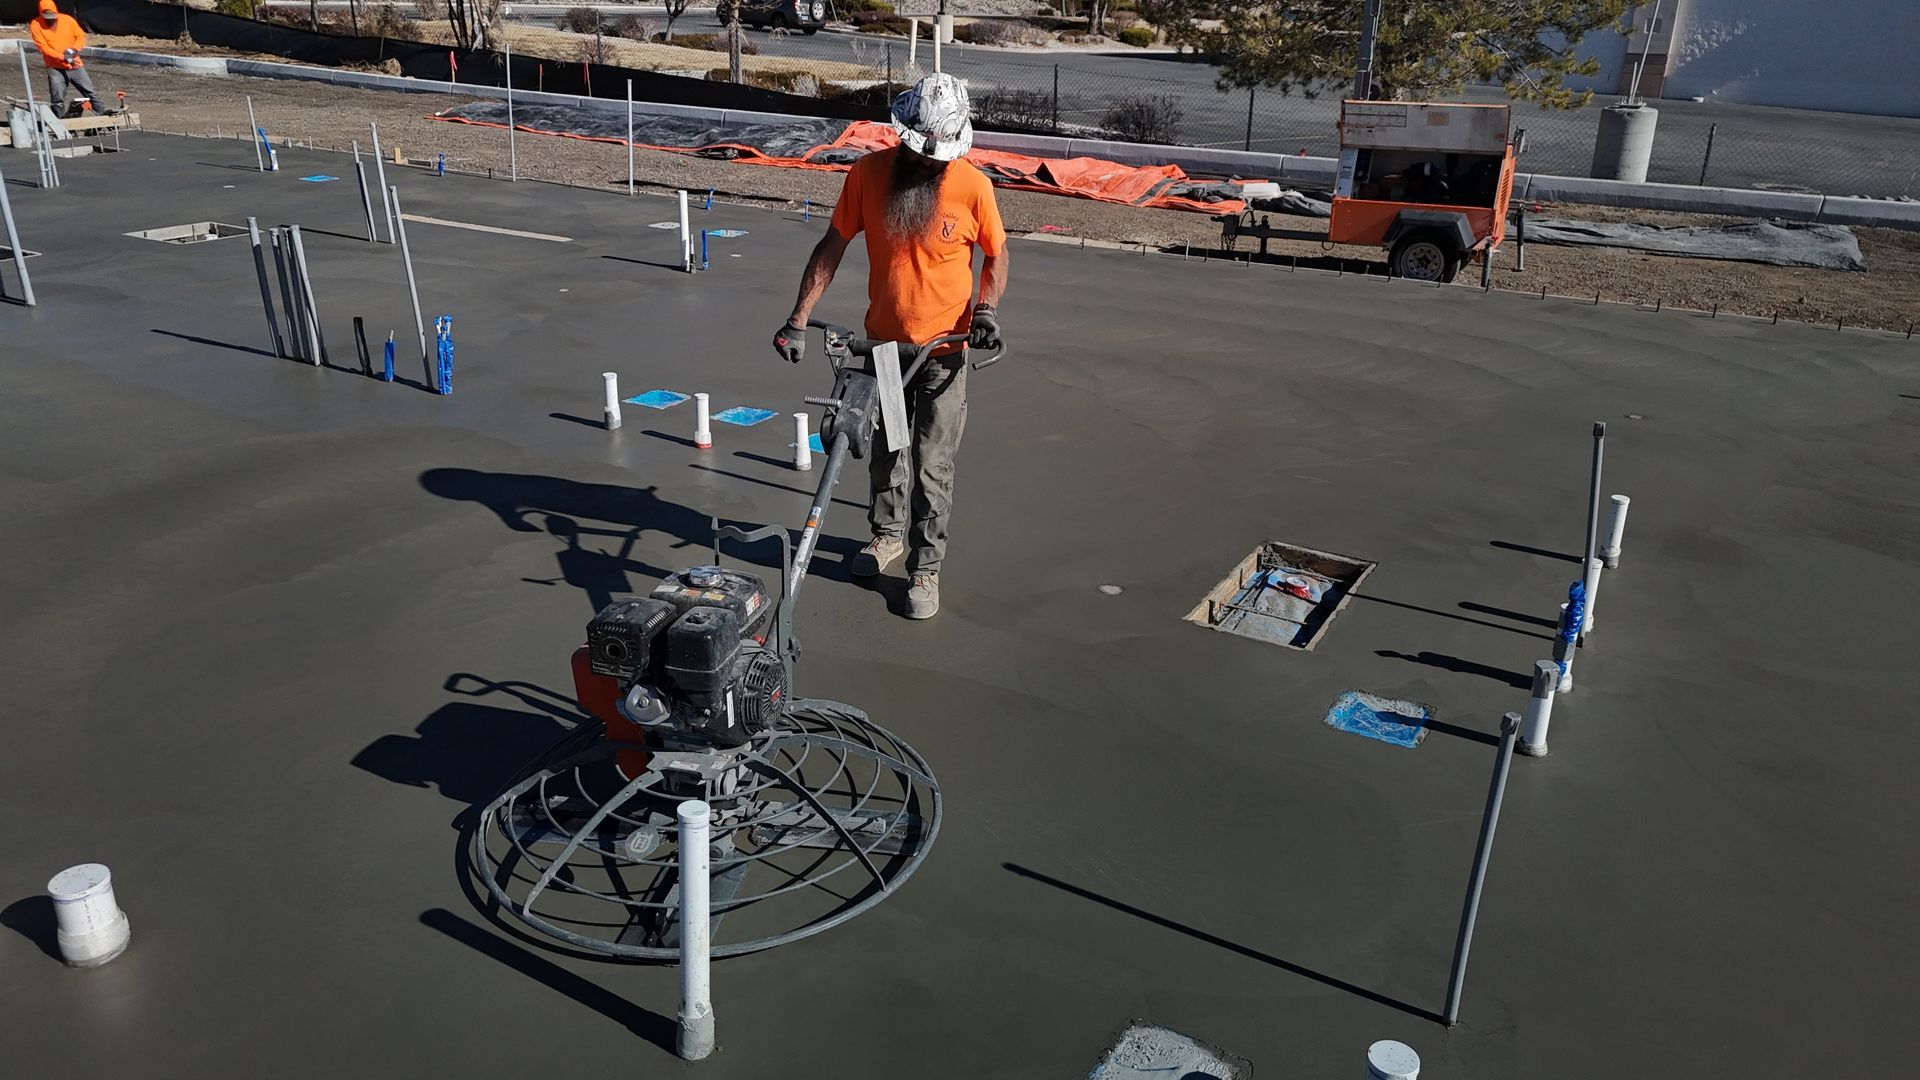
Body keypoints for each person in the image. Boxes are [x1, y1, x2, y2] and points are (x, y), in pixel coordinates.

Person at [773, 74, 1008, 621]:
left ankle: (926, 567)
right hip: (884, 350)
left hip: (943, 354)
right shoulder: (868, 175)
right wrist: (798, 319)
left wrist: (987, 310)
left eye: (938, 158)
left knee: (932, 465)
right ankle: (887, 535)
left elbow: (997, 255)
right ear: (904, 139)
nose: (930, 164)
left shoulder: (973, 187)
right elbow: (833, 244)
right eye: (922, 153)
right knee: (888, 450)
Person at [30, 1, 117, 120]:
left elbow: (80, 36)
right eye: (47, 18)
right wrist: (63, 57)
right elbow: (44, 48)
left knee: (91, 93)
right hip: (55, 67)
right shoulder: (36, 24)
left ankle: (103, 119)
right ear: (41, 14)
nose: (51, 20)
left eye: (53, 17)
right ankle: (59, 124)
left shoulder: (67, 20)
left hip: (75, 65)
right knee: (57, 98)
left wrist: (74, 49)